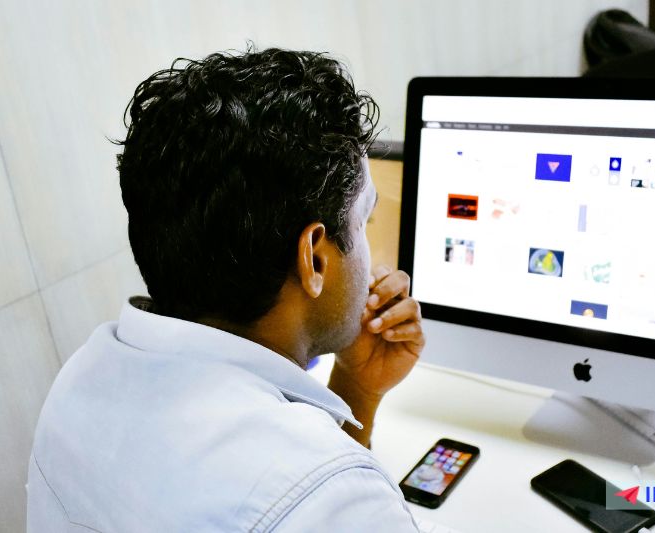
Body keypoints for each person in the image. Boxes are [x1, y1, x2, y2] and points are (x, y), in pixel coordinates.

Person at [27, 46, 425, 532]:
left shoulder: (80, 380)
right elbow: (314, 497)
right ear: (315, 257)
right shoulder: (333, 498)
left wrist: (357, 389)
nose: (371, 256)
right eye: (364, 221)